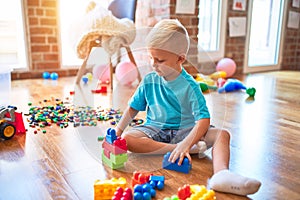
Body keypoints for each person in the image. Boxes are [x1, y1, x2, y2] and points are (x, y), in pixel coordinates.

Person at [115, 19, 261, 196]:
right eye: (151, 57)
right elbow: (132, 108)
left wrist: (186, 141)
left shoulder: (190, 85)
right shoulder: (149, 80)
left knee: (222, 135)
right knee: (128, 138)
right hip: (155, 129)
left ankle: (222, 174)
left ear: (180, 58)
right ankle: (176, 150)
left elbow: (204, 120)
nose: (153, 64)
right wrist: (118, 130)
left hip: (186, 131)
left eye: (160, 60)